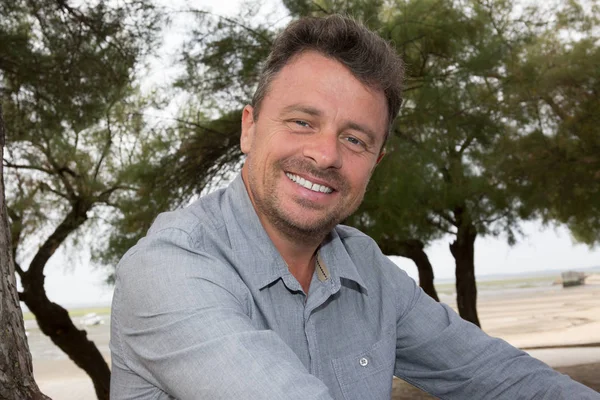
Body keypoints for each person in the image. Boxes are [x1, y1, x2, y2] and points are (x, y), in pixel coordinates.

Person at [109, 15, 599, 400]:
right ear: (249, 128)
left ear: (376, 161)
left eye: (355, 139)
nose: (325, 155)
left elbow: (499, 377)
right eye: (302, 121)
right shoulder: (168, 269)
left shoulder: (365, 267)